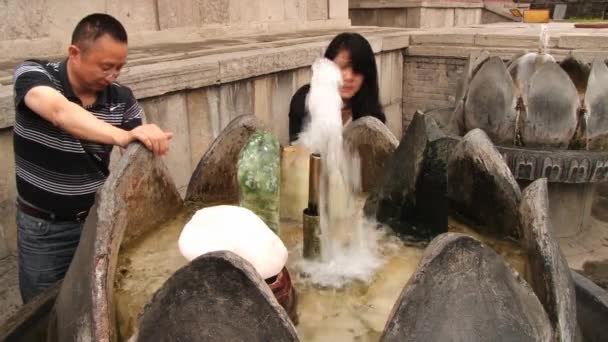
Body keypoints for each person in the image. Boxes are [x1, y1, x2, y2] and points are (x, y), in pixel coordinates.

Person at [12, 13, 172, 303]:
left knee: (95, 304)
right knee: (42, 310)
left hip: (96, 224)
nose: (112, 76)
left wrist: (148, 142)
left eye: (119, 68)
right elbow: (60, 113)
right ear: (75, 53)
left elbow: (137, 150)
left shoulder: (121, 98)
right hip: (43, 231)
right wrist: (121, 136)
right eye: (106, 67)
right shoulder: (35, 74)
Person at [288, 32, 386, 143]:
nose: (349, 77)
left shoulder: (370, 116)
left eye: (357, 70)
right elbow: (296, 153)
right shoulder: (304, 102)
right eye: (342, 67)